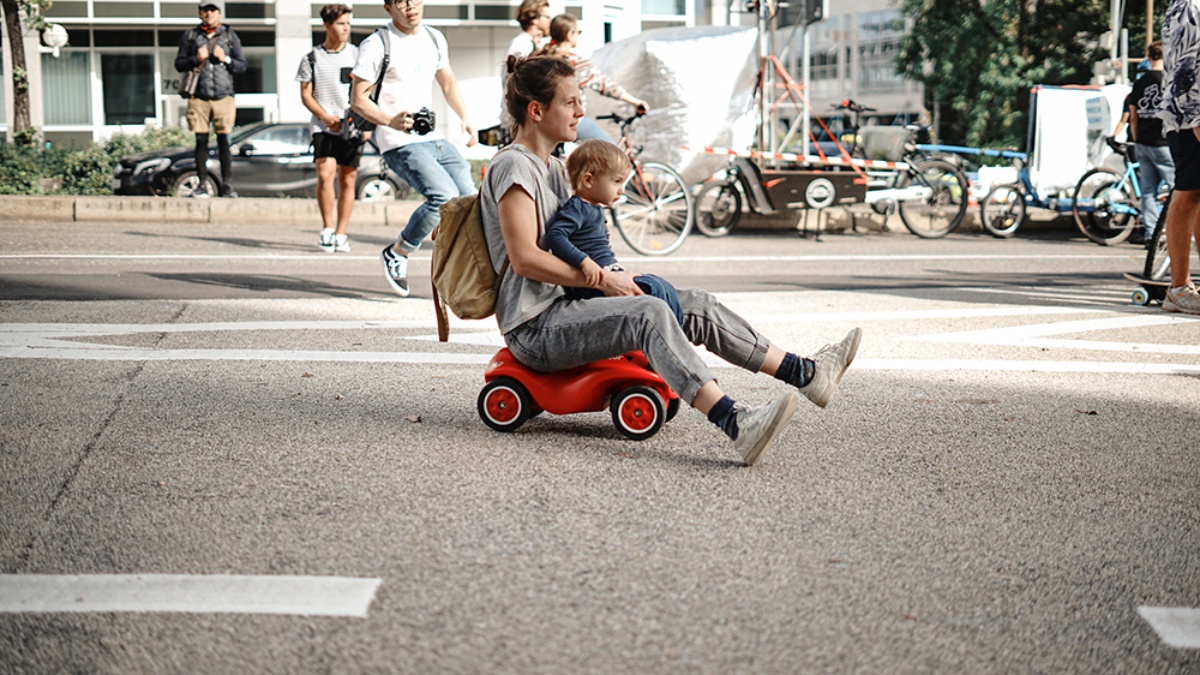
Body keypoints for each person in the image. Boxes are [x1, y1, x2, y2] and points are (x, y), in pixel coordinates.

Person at [482, 55, 862, 466]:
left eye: (581, 100)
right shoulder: (514, 166)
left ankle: (804, 374)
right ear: (536, 111)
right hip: (537, 325)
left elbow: (581, 241)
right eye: (570, 102)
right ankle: (736, 423)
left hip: (569, 305)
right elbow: (524, 259)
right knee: (648, 313)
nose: (581, 110)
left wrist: (617, 275)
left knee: (694, 303)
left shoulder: (557, 168)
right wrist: (603, 282)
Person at [351, 0, 478, 297]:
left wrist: (465, 117)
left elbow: (447, 83)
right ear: (388, 8)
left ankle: (462, 268)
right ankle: (399, 251)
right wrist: (389, 121)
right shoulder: (377, 44)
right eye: (401, 2)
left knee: (470, 199)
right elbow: (358, 99)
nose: (410, 7)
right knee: (444, 198)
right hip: (399, 142)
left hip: (433, 138)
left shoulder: (434, 37)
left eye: (415, 0)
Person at [544, 138, 684, 325]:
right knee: (653, 290)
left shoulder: (594, 207)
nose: (621, 191)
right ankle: (668, 334)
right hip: (589, 284)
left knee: (663, 286)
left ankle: (674, 332)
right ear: (588, 180)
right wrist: (584, 262)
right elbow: (555, 236)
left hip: (608, 272)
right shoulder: (577, 208)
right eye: (617, 182)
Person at [297, 4, 362, 253]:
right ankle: (327, 228)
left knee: (348, 179)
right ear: (327, 25)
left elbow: (368, 90)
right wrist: (324, 116)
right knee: (325, 175)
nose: (346, 28)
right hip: (322, 126)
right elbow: (305, 94)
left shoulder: (358, 55)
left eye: (348, 23)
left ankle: (341, 234)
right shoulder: (311, 58)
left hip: (352, 125)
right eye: (341, 24)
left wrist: (363, 122)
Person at [174, 0, 247, 198]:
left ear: (219, 14)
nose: (209, 14)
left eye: (213, 10)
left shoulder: (230, 36)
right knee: (201, 141)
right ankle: (201, 185)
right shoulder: (190, 36)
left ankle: (227, 186)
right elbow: (179, 64)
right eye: (205, 10)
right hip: (199, 96)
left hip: (224, 95)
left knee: (225, 141)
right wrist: (195, 59)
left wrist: (226, 58)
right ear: (199, 13)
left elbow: (242, 66)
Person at [538, 14, 649, 142]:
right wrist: (635, 102)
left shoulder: (539, 57)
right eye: (578, 32)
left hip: (543, 119)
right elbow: (606, 86)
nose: (579, 36)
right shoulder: (576, 63)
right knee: (610, 150)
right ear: (569, 35)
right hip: (570, 120)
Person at [1159, 0, 1200, 314]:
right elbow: (1186, 67)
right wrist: (1197, 119)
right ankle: (1178, 288)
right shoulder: (1189, 6)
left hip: (1189, 117)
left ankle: (1182, 288)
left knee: (1194, 195)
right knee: (1187, 194)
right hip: (1188, 119)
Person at [1128, 43, 1176, 245]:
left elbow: (1133, 116)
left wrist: (1137, 136)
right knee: (1178, 189)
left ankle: (1151, 234)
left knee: (1148, 191)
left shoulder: (1139, 83)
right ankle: (1177, 230)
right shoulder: (1169, 79)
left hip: (1143, 142)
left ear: (1148, 56)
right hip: (1164, 142)